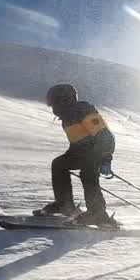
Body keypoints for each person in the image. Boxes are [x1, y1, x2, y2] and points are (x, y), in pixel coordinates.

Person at [35, 83, 116, 225]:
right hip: (80, 154)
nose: (53, 108)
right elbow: (76, 143)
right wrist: (68, 157)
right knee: (59, 164)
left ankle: (98, 213)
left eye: (54, 103)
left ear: (65, 100)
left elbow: (105, 136)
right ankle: (64, 205)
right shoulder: (67, 118)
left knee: (88, 171)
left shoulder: (84, 111)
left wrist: (105, 159)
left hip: (98, 151)